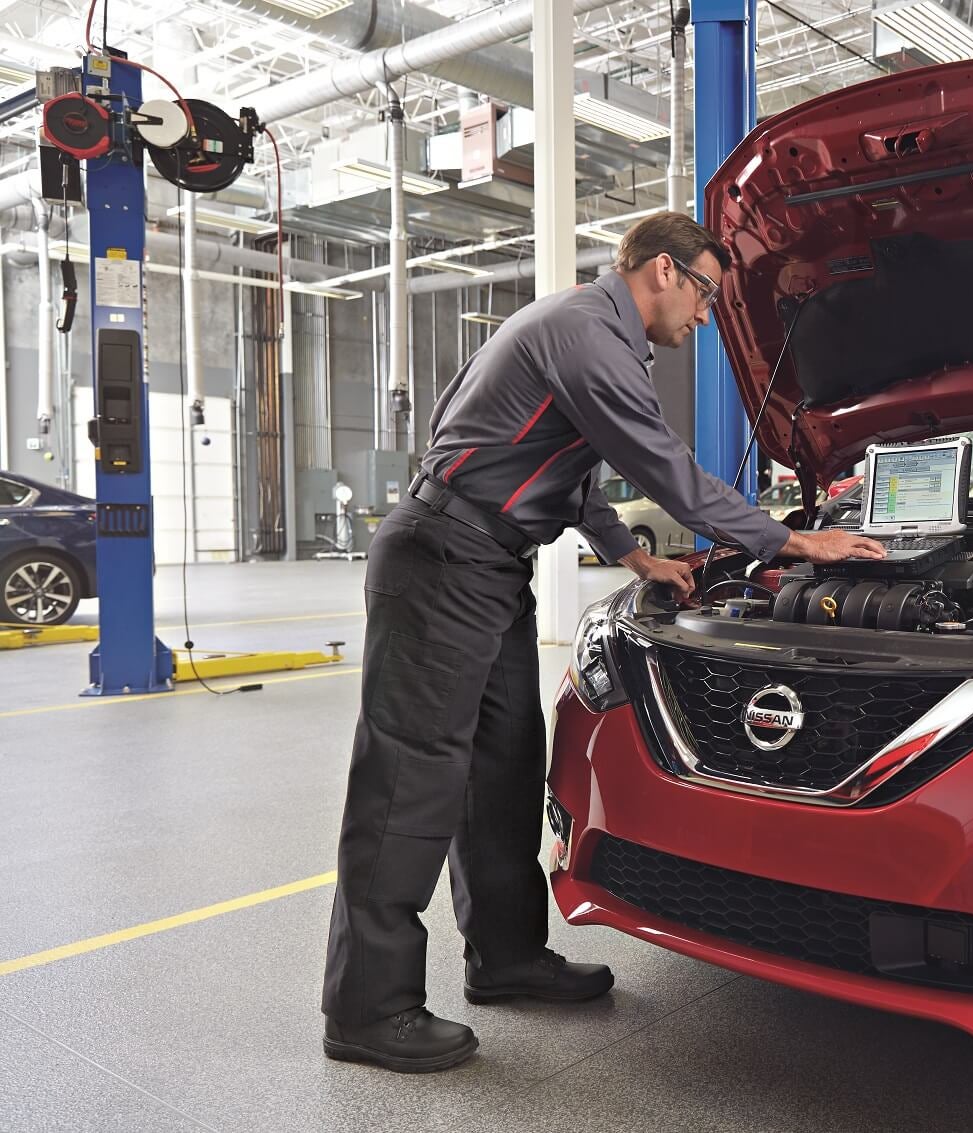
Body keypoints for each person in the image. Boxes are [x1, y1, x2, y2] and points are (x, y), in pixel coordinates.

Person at [321, 212, 885, 1073]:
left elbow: (575, 468)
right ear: (663, 270)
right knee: (409, 782)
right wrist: (793, 542)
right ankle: (367, 1008)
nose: (704, 316)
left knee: (504, 764)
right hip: (444, 559)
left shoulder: (582, 334)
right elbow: (663, 464)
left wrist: (632, 554)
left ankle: (505, 958)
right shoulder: (587, 333)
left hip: (488, 561)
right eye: (704, 293)